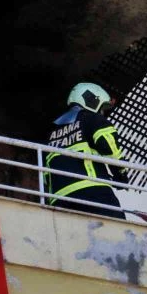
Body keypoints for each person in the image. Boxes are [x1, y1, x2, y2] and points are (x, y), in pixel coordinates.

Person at [44, 82, 129, 219]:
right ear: (92, 100)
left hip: (59, 199)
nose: (102, 113)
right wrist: (121, 174)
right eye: (101, 109)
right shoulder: (91, 118)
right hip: (93, 191)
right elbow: (109, 146)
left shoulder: (51, 132)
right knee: (117, 232)